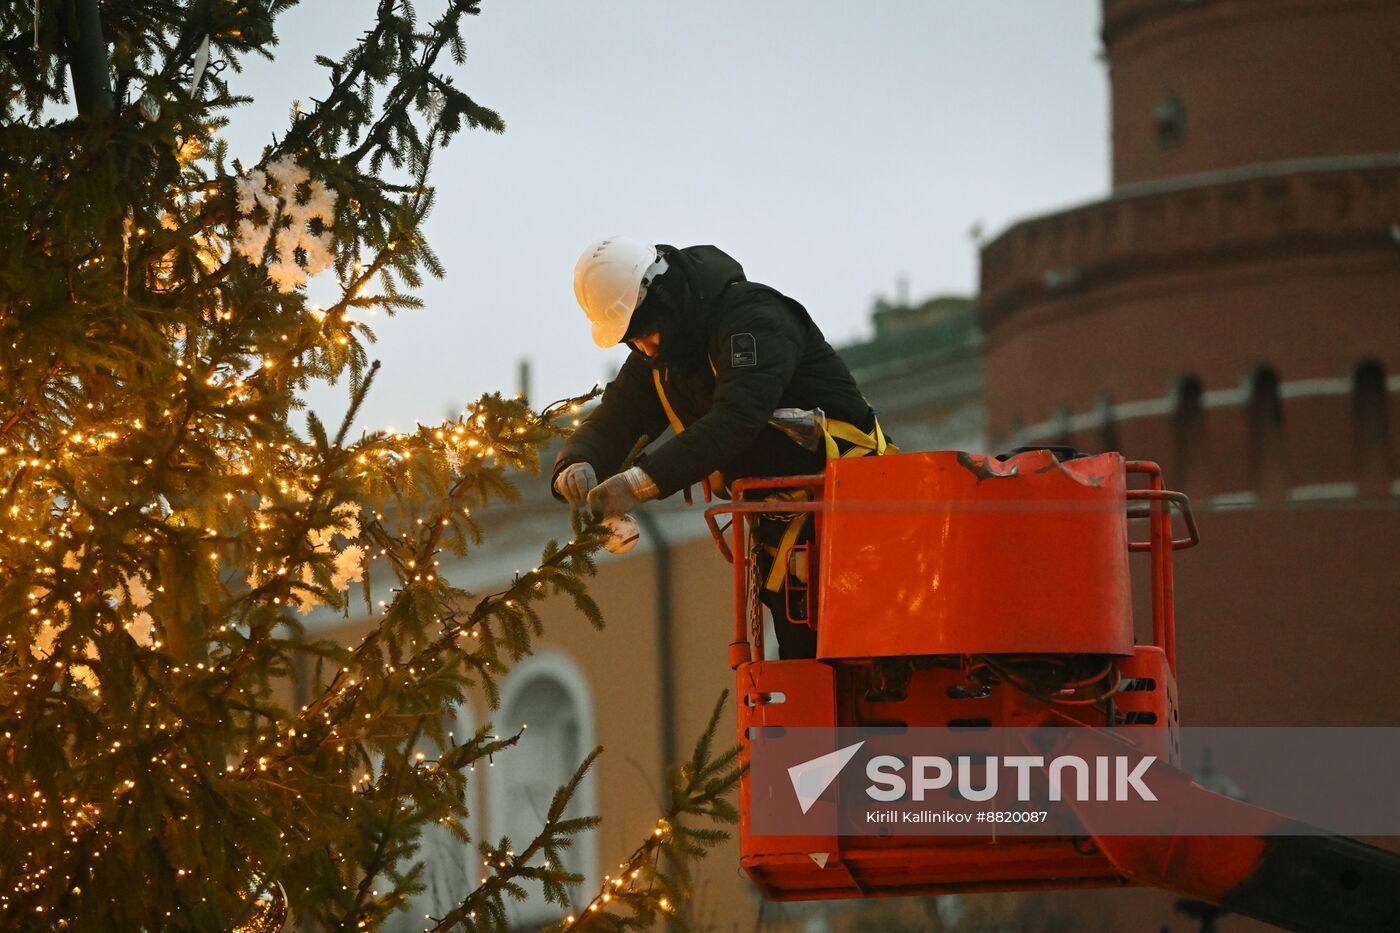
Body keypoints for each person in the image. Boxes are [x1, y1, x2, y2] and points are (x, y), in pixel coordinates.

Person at [551, 235, 892, 658]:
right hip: (791, 535)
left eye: (646, 332)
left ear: (663, 297)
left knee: (871, 657)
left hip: (864, 518)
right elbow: (617, 418)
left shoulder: (754, 321)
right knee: (810, 673)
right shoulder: (662, 358)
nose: (645, 347)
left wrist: (639, 483)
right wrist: (577, 460)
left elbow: (736, 420)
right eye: (632, 340)